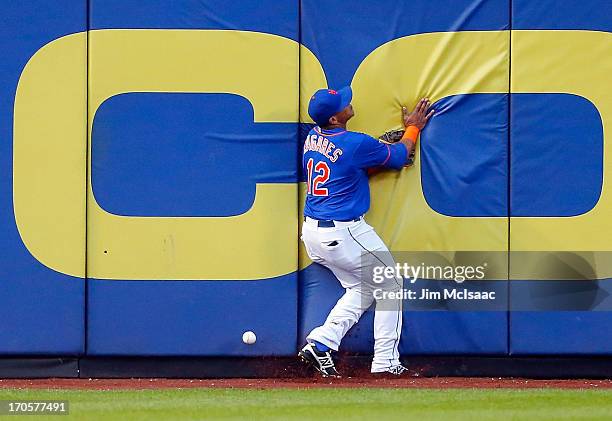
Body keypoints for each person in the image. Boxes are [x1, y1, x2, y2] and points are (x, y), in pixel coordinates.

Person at [298, 87, 433, 377]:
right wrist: (413, 128)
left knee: (361, 288)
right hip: (344, 232)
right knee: (391, 284)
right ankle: (386, 361)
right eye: (343, 104)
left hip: (313, 233)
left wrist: (374, 157)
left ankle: (322, 343)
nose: (349, 103)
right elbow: (398, 157)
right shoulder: (354, 143)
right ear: (335, 119)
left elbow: (347, 170)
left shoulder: (313, 136)